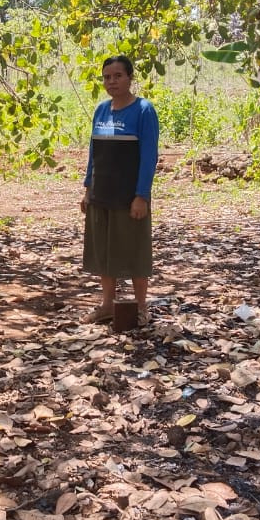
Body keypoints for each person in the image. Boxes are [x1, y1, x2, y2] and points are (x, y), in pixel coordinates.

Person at [80, 54, 159, 326]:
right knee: (104, 252)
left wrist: (141, 196)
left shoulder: (143, 110)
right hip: (101, 194)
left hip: (129, 197)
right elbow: (94, 152)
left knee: (134, 252)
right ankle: (107, 306)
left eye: (117, 76)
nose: (111, 82)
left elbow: (149, 157)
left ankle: (140, 308)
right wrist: (87, 188)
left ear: (129, 78)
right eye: (106, 77)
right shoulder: (101, 110)